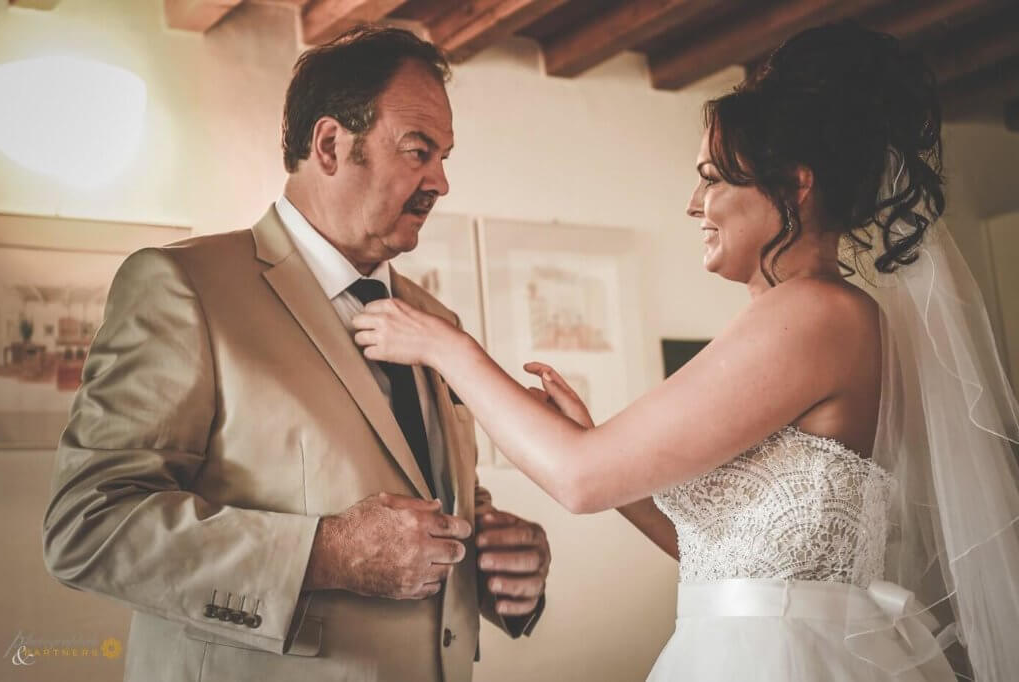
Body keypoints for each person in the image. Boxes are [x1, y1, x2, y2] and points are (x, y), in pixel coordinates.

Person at [352, 22, 1019, 682]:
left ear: (794, 186)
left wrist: (443, 344)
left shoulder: (816, 313)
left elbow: (577, 478)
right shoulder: (801, 316)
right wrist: (598, 448)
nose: (695, 204)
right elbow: (722, 556)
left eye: (712, 178)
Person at [41, 26, 549, 682]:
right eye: (420, 151)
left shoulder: (437, 322)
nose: (442, 182)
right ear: (331, 145)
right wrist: (326, 552)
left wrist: (504, 565)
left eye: (445, 156)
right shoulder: (185, 289)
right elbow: (88, 526)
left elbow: (444, 501)